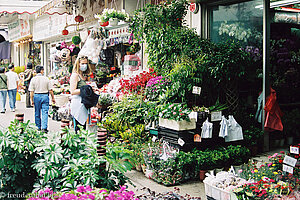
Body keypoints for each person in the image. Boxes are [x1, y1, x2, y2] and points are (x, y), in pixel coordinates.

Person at [29, 66, 55, 132]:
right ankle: (44, 127)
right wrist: (53, 98)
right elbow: (50, 90)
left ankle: (38, 127)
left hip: (36, 96)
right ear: (41, 71)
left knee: (37, 112)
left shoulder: (33, 79)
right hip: (45, 96)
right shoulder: (46, 79)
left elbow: (31, 91)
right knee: (45, 112)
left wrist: (31, 100)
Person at [70, 56, 92, 133]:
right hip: (77, 104)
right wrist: (85, 90)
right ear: (78, 64)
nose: (84, 65)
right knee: (79, 127)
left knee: (83, 127)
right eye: (82, 63)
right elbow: (72, 91)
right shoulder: (75, 75)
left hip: (83, 104)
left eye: (86, 63)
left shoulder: (82, 76)